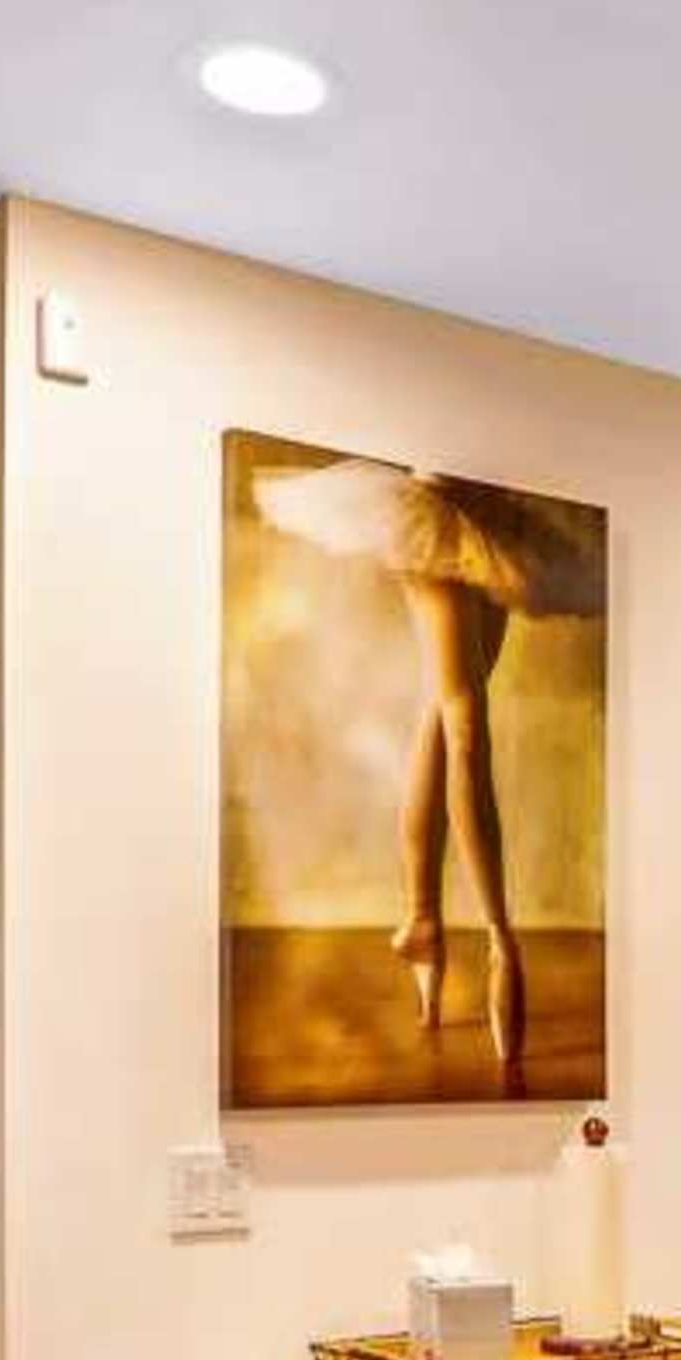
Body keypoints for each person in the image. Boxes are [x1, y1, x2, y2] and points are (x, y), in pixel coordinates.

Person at [248, 453, 606, 1066]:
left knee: (444, 713)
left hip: (496, 509)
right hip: (438, 503)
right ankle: (500, 939)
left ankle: (420, 921)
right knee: (464, 720)